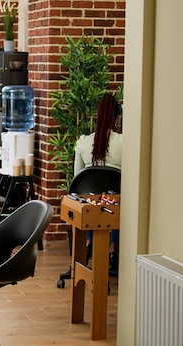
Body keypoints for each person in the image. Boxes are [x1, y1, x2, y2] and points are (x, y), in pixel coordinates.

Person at [74, 92, 122, 269]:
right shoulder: (125, 142)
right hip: (115, 206)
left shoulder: (83, 142)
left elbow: (76, 179)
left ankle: (87, 244)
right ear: (116, 118)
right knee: (117, 200)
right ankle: (113, 249)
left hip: (90, 208)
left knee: (90, 199)